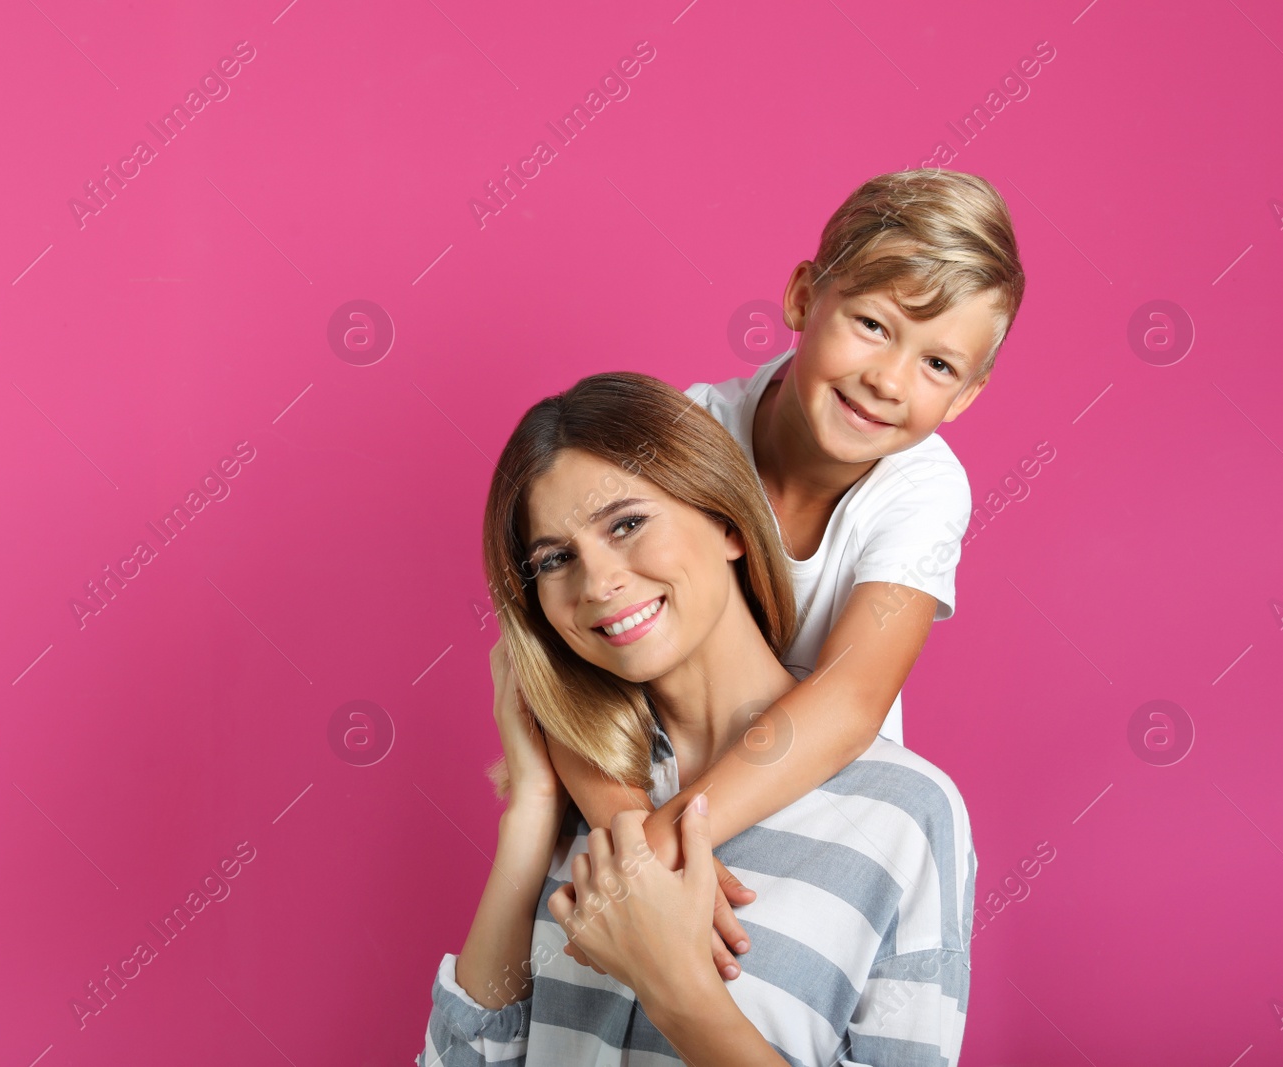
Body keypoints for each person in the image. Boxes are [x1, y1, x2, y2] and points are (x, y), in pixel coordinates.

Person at [543, 169, 1021, 984]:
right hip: (650, 789)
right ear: (803, 298)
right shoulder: (689, 436)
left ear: (969, 396)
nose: (890, 379)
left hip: (819, 811)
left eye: (938, 365)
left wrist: (663, 847)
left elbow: (847, 699)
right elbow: (553, 653)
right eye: (872, 323)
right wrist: (628, 834)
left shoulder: (925, 485)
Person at [416, 371, 976, 1064]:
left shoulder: (905, 816)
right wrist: (529, 815)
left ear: (727, 521)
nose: (597, 583)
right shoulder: (578, 786)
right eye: (556, 559)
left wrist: (676, 986)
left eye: (626, 523)